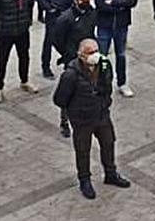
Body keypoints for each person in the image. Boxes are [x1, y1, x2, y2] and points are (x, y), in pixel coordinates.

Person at [52, 38, 132, 199]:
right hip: (82, 120)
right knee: (83, 150)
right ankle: (85, 180)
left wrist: (104, 102)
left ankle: (110, 174)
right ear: (81, 55)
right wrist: (74, 112)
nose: (95, 55)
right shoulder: (71, 74)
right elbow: (60, 99)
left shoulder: (104, 65)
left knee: (108, 143)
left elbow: (108, 85)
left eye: (96, 51)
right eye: (90, 52)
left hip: (102, 115)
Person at [51, 0, 97, 138]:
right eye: (83, 0)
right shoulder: (66, 18)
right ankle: (64, 121)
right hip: (72, 59)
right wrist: (67, 53)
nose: (86, 2)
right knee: (69, 89)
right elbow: (57, 39)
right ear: (75, 0)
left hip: (89, 56)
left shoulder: (91, 12)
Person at [95, 0, 139, 97]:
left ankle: (122, 83)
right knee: (102, 56)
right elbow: (100, 4)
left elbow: (132, 0)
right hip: (105, 24)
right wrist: (121, 5)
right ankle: (101, 83)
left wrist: (114, 2)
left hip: (121, 24)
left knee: (121, 54)